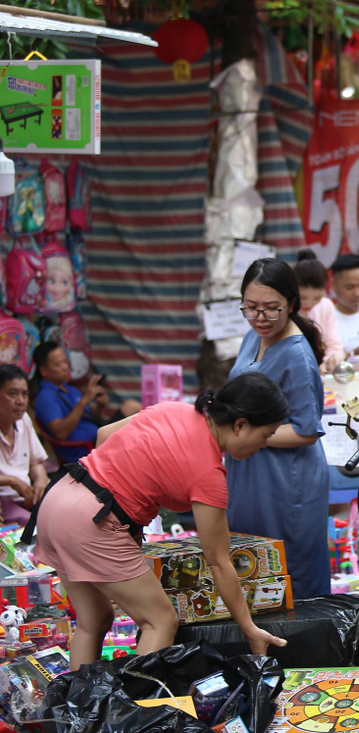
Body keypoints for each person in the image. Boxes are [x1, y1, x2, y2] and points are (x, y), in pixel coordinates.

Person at [26, 373, 291, 669]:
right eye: (266, 435)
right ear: (241, 425)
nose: (265, 444)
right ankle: (133, 711)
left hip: (58, 499)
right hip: (93, 521)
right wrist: (250, 629)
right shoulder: (209, 476)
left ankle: (81, 710)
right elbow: (218, 561)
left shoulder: (174, 408)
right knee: (160, 620)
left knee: (93, 622)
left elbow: (104, 435)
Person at [227, 258, 331, 599]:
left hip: (286, 479)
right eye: (251, 307)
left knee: (288, 572)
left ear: (291, 304)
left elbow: (306, 430)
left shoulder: (297, 355)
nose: (260, 317)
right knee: (251, 566)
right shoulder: (251, 338)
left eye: (272, 308)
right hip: (249, 470)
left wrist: (248, 435)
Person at [32, 342, 140, 464]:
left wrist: (100, 407)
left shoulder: (70, 390)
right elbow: (60, 433)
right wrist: (84, 400)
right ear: (44, 370)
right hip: (85, 449)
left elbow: (89, 421)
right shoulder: (46, 396)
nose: (65, 367)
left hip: (99, 437)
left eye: (65, 361)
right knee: (132, 410)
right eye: (58, 364)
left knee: (132, 408)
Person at [0, 365, 50, 525]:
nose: (21, 401)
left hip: (25, 496)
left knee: (61, 516)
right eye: (12, 394)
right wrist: (11, 481)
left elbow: (35, 461)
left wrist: (41, 479)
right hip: (3, 501)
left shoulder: (24, 420)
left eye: (25, 394)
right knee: (34, 527)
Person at [293, 249, 346, 373]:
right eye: (303, 298)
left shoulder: (326, 305)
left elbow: (334, 344)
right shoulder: (286, 308)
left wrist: (333, 358)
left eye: (316, 298)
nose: (309, 304)